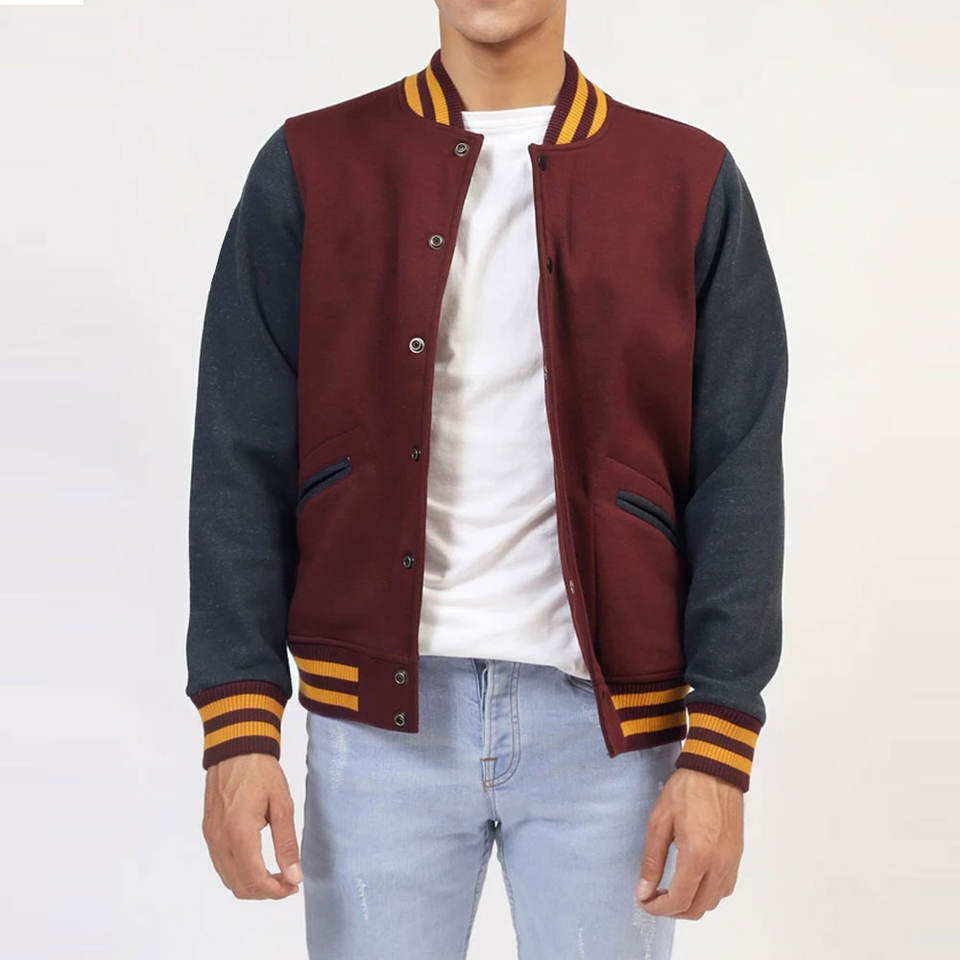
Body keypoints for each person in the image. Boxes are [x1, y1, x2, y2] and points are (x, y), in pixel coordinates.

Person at [185, 1, 788, 957]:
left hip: (609, 743)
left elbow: (738, 475)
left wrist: (719, 746)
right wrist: (239, 721)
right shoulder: (312, 166)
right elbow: (237, 451)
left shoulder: (687, 179)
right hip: (378, 732)